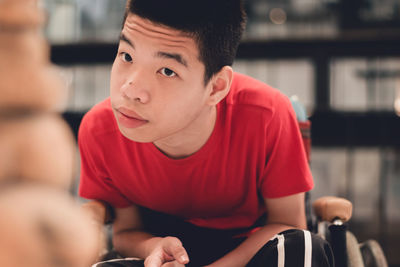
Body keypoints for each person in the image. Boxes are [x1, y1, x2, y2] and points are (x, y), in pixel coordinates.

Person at [79, 0, 334, 266]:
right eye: (127, 56)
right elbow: (124, 232)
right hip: (163, 256)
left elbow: (287, 225)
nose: (130, 90)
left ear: (216, 87)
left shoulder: (267, 115)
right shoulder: (100, 131)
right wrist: (155, 247)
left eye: (167, 71)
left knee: (302, 247)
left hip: (250, 251)